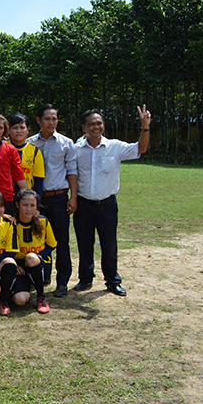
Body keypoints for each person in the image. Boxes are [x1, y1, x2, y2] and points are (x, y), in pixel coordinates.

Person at [72, 106, 151, 297]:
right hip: (83, 205)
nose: (96, 127)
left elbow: (140, 148)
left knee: (109, 244)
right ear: (84, 127)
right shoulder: (76, 149)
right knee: (84, 243)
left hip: (107, 205)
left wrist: (145, 126)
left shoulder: (115, 147)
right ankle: (85, 278)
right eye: (91, 124)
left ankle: (112, 281)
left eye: (99, 123)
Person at [27, 104, 78, 298]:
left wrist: (73, 197)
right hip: (34, 201)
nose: (51, 122)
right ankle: (42, 276)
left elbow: (72, 171)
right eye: (47, 119)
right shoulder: (30, 143)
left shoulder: (66, 143)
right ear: (38, 120)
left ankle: (62, 282)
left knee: (61, 241)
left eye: (54, 119)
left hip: (58, 198)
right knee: (37, 240)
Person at [13, 189, 55, 314]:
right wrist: (14, 265)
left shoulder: (43, 222)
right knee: (20, 300)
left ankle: (41, 297)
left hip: (38, 263)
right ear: (17, 204)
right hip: (19, 267)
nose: (29, 209)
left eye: (32, 205)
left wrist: (39, 256)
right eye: (25, 205)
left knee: (31, 258)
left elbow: (52, 245)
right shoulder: (11, 223)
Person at [8, 113, 45, 204]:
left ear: (28, 130)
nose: (19, 131)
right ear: (9, 130)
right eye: (15, 128)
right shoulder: (2, 148)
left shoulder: (35, 151)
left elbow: (38, 181)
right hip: (6, 197)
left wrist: (36, 205)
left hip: (26, 198)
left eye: (22, 128)